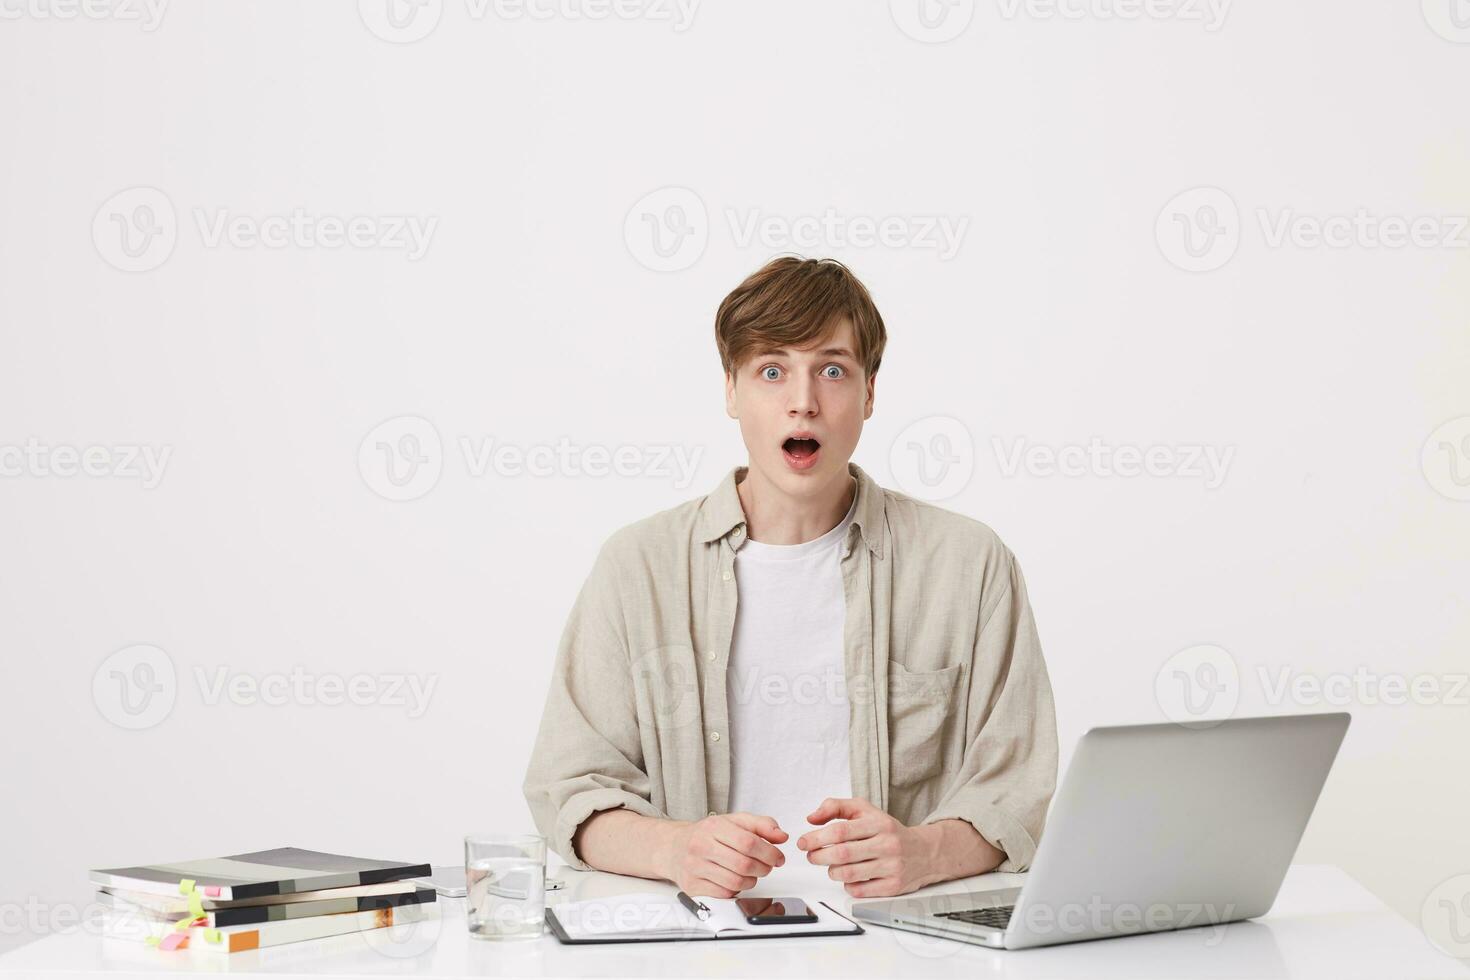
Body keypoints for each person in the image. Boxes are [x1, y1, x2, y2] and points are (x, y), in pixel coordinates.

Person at [523, 256, 1057, 899]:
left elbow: (1017, 792)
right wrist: (675, 848)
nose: (803, 403)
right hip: (693, 945)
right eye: (771, 371)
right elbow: (570, 791)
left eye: (832, 370)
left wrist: (922, 852)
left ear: (869, 393)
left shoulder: (970, 566)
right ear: (731, 389)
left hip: (902, 947)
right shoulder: (637, 566)